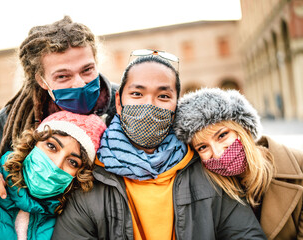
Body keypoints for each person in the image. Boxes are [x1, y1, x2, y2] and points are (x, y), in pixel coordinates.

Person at [51, 52, 267, 239]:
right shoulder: (90, 179)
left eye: (163, 96)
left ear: (176, 105)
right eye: (137, 94)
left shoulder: (207, 173)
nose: (149, 104)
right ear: (118, 102)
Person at [0, 15, 118, 198]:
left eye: (87, 70)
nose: (79, 83)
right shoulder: (21, 114)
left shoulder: (124, 102)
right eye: (63, 76)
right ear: (41, 80)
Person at [0, 110, 107, 239]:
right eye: (51, 146)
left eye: (73, 162)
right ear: (32, 144)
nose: (56, 165)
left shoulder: (73, 214)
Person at [173, 87, 303, 240]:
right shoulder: (207, 188)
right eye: (202, 147)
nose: (218, 153)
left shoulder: (299, 165)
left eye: (222, 135)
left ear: (243, 129)